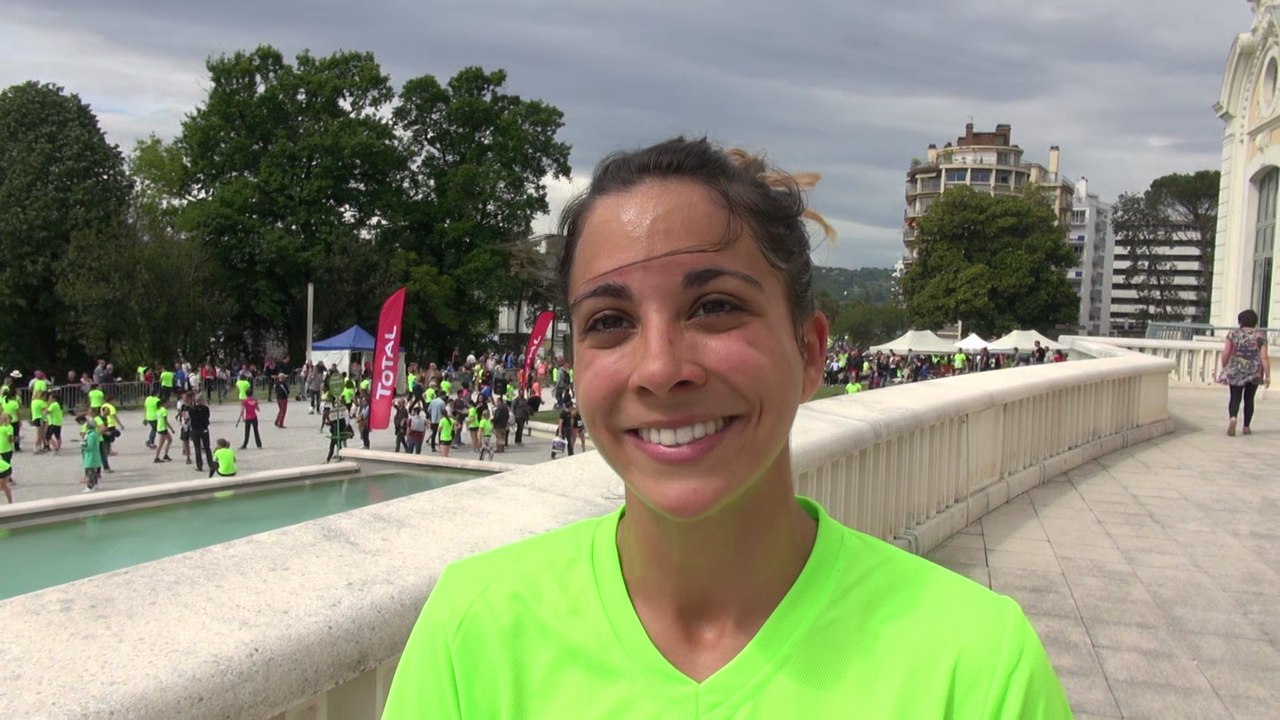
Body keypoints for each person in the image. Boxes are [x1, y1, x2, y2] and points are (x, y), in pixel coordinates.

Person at [383, 138, 1070, 718]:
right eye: (610, 322)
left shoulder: (977, 668)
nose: (659, 368)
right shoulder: (473, 629)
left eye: (713, 307)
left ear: (808, 353)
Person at [1220, 308, 1271, 436]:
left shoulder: (1232, 334)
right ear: (1255, 321)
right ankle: (1246, 427)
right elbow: (1264, 357)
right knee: (1249, 399)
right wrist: (1268, 375)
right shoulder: (1260, 336)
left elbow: (1226, 352)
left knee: (1235, 397)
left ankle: (1233, 418)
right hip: (1254, 371)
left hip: (1236, 368)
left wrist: (1224, 366)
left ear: (1240, 321)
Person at [189, 394, 214, 474]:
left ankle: (199, 465)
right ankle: (210, 464)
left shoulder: (191, 409)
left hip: (195, 429)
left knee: (197, 448)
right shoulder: (206, 409)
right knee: (207, 447)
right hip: (204, 428)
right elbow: (207, 417)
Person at [79, 415, 102, 491]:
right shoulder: (95, 433)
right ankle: (95, 484)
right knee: (94, 471)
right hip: (94, 454)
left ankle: (90, 486)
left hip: (91, 455)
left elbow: (90, 446)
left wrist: (83, 445)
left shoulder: (91, 435)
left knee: (90, 471)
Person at [153, 398, 173, 463]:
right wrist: (172, 429)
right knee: (160, 444)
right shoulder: (164, 410)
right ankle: (156, 457)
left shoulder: (158, 409)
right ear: (164, 404)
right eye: (167, 403)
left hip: (160, 427)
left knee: (170, 440)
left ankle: (165, 454)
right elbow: (165, 421)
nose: (168, 404)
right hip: (163, 428)